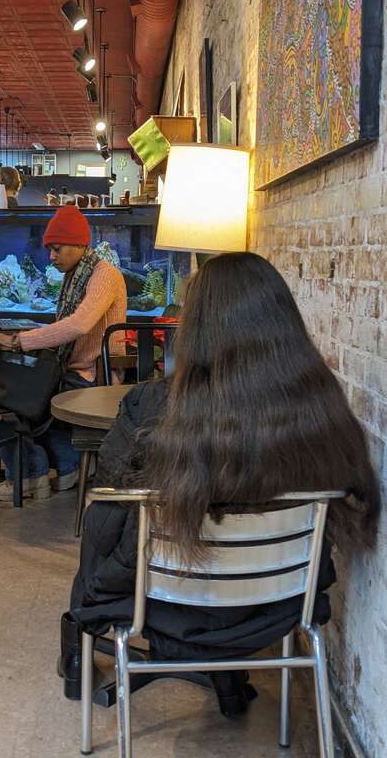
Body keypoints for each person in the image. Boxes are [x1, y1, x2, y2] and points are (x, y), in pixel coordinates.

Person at [59, 251, 380, 714]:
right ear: (283, 323)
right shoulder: (320, 408)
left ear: (197, 327)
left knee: (104, 518)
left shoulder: (152, 406)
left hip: (161, 603)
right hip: (281, 607)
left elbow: (110, 494)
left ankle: (76, 641)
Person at [0, 205, 127, 502]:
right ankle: (65, 466)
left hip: (93, 376)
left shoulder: (104, 275)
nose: (51, 256)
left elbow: (78, 324)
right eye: (50, 249)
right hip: (73, 370)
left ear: (78, 243)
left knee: (3, 396)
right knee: (8, 390)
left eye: (56, 249)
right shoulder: (77, 275)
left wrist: (18, 342)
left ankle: (29, 475)